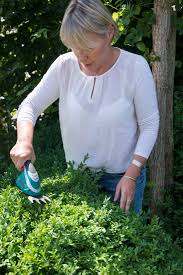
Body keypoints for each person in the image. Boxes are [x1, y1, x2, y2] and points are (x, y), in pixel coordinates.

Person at [10, 0, 159, 214]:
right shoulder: (65, 65)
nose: (80, 56)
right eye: (74, 47)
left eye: (87, 48)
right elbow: (30, 105)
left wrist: (131, 175)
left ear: (109, 33)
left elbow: (150, 125)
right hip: (78, 177)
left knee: (124, 244)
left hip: (122, 179)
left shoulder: (135, 67)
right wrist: (24, 141)